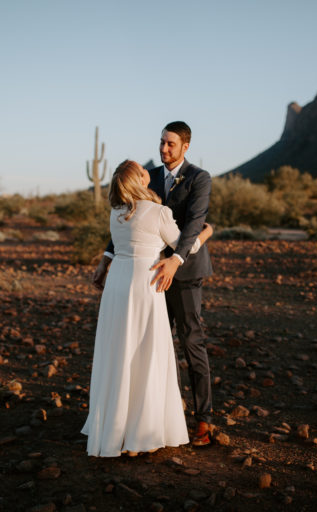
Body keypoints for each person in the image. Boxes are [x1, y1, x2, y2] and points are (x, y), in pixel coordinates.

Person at [93, 121, 215, 446]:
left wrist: (176, 260)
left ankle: (204, 421)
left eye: (171, 144)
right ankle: (160, 418)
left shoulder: (199, 178)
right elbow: (127, 219)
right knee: (155, 345)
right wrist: (106, 258)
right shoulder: (149, 175)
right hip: (151, 276)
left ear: (185, 146)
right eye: (161, 142)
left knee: (191, 342)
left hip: (184, 272)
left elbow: (192, 225)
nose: (163, 149)